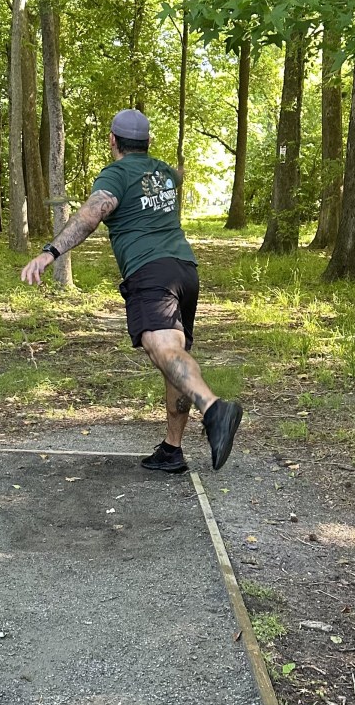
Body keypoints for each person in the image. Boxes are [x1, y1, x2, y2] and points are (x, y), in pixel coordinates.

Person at [21, 108, 242, 474]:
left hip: (150, 272)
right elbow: (175, 176)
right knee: (175, 358)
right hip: (185, 270)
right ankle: (172, 450)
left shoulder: (116, 173)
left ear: (113, 140)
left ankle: (215, 409)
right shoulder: (162, 172)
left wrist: (50, 253)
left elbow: (91, 215)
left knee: (164, 350)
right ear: (148, 141)